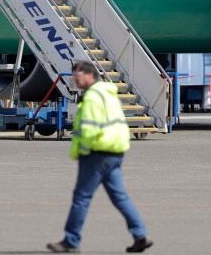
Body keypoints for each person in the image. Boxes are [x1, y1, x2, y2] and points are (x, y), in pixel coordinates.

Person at [47, 62, 152, 253]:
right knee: (120, 197)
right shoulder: (108, 94)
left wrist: (83, 152)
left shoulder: (93, 97)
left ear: (89, 75)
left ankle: (71, 241)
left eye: (77, 74)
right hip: (115, 151)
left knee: (81, 198)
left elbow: (88, 128)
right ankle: (140, 234)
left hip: (97, 153)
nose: (74, 78)